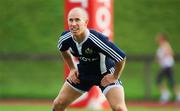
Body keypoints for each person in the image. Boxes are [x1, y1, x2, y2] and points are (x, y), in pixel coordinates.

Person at [52, 7, 127, 111]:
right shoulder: (65, 38)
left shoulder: (96, 39)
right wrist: (72, 69)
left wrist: (115, 76)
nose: (73, 24)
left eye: (77, 20)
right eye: (71, 20)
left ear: (86, 22)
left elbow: (121, 57)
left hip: (105, 74)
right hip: (83, 74)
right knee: (58, 104)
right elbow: (63, 50)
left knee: (119, 108)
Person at [155, 33, 180, 103]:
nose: (157, 39)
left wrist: (164, 55)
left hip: (168, 66)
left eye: (158, 38)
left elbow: (170, 53)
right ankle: (166, 94)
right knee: (159, 80)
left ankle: (174, 94)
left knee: (170, 81)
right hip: (164, 66)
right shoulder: (161, 46)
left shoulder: (166, 44)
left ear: (162, 39)